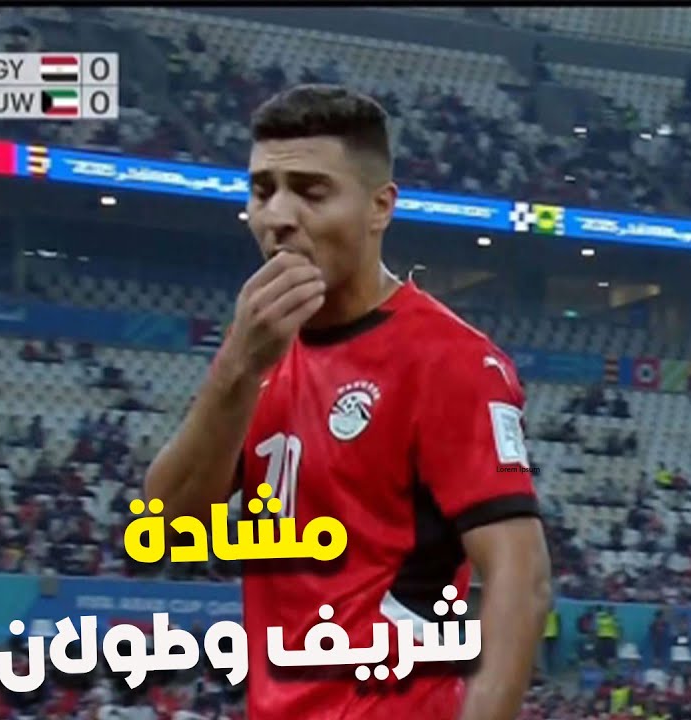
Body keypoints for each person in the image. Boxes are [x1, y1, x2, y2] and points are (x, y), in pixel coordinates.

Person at [144, 85, 551, 720]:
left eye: (311, 192)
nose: (279, 215)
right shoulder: (256, 351)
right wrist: (238, 366)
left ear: (379, 207)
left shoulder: (448, 360)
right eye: (262, 190)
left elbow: (521, 577)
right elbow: (165, 529)